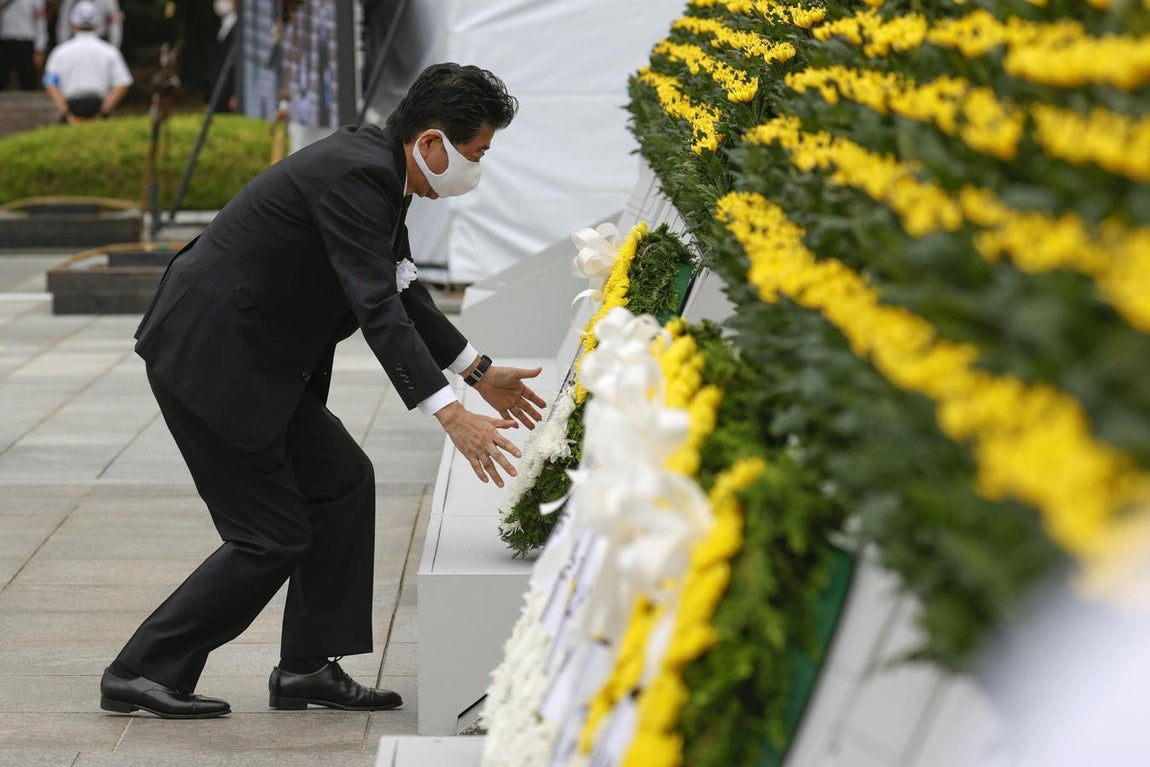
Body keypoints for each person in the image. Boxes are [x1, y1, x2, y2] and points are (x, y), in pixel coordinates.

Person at [98, 62, 548, 720]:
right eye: (476, 153)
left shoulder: (382, 173)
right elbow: (376, 308)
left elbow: (398, 287)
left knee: (342, 481)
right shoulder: (359, 175)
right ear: (431, 143)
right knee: (269, 534)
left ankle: (307, 666)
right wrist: (450, 412)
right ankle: (139, 669)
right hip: (210, 355)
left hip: (257, 360)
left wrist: (478, 369)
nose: (478, 167)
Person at [41, 0, 131, 122]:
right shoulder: (110, 52)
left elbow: (50, 83)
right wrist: (103, 112)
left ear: (73, 24)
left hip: (70, 106)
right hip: (99, 105)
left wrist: (66, 114)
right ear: (98, 24)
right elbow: (122, 83)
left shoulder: (60, 52)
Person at [0, 0, 47, 91]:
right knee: (2, 80)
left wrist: (40, 48)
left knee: (28, 82)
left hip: (26, 42)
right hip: (4, 41)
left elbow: (40, 23)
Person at [54, 0, 119, 47]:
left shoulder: (109, 1)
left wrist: (114, 46)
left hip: (99, 39)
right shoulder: (70, 2)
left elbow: (114, 25)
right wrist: (63, 45)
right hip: (76, 40)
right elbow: (64, 23)